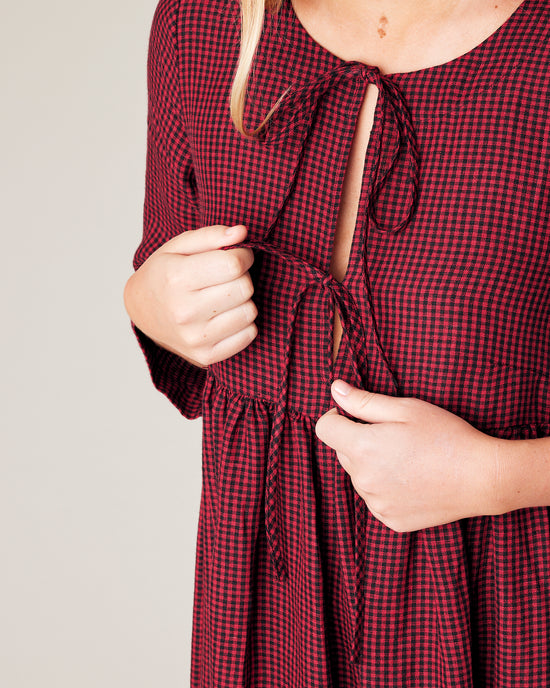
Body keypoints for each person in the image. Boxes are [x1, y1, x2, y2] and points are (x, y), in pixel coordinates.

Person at [123, 0, 550, 684]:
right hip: (264, 625)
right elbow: (163, 265)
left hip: (509, 622)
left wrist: (499, 476)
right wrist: (144, 300)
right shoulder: (202, 23)